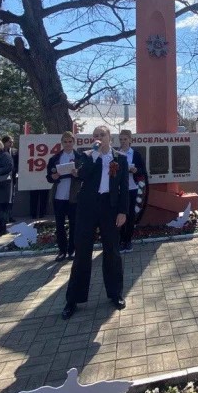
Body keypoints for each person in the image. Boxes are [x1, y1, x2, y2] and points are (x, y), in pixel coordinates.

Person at [62, 125, 129, 319]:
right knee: (82, 252)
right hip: (87, 208)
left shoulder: (120, 159)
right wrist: (95, 156)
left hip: (109, 208)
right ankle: (73, 299)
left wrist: (123, 211)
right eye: (96, 135)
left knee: (112, 252)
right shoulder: (86, 155)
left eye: (102, 135)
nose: (99, 138)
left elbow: (123, 188)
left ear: (110, 137)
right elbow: (81, 175)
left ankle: (115, 294)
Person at [47, 132, 81, 261]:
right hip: (59, 196)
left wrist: (78, 173)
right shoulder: (55, 158)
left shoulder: (80, 157)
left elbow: (85, 175)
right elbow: (49, 177)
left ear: (73, 142)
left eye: (70, 141)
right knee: (59, 225)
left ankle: (72, 250)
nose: (67, 144)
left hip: (74, 196)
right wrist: (53, 177)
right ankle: (62, 250)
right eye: (65, 142)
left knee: (74, 224)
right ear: (62, 143)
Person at [117, 129, 146, 253]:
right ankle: (119, 241)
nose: (123, 141)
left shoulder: (136, 154)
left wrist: (135, 171)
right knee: (119, 216)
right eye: (121, 139)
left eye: (125, 139)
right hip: (118, 190)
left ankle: (128, 241)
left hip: (132, 188)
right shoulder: (115, 154)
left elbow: (142, 171)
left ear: (130, 140)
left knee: (130, 216)